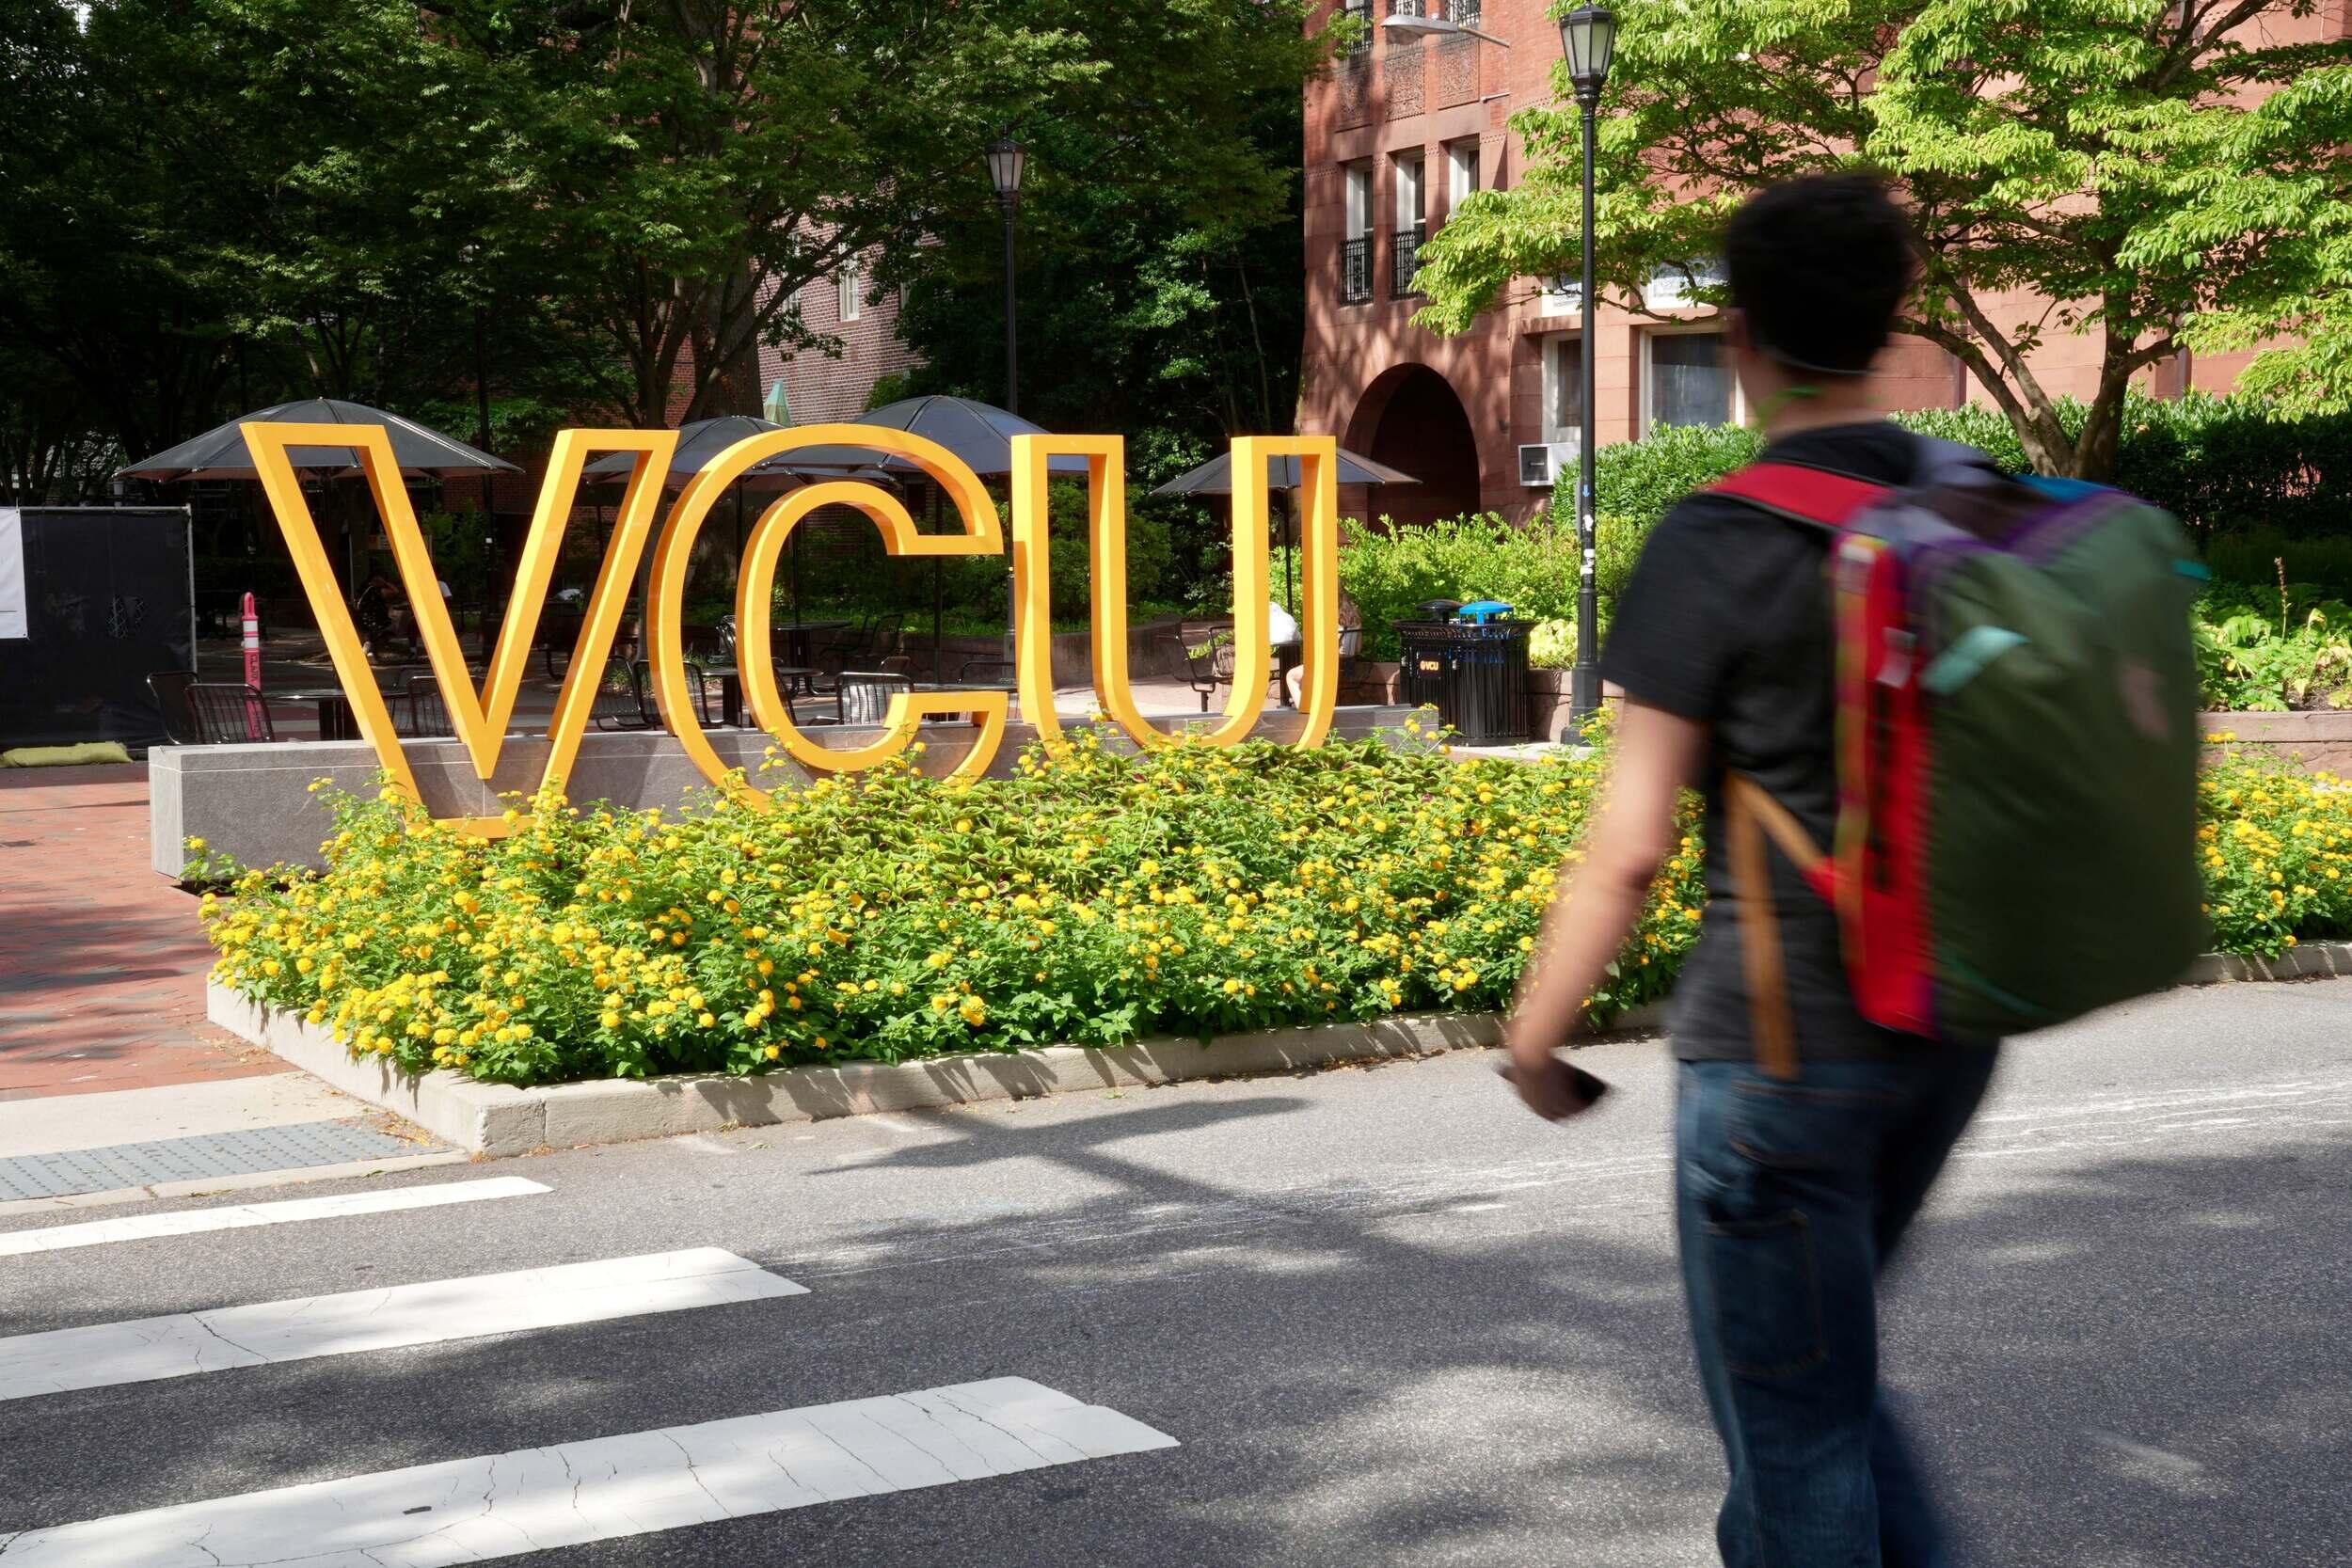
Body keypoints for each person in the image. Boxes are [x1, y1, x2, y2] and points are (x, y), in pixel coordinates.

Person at [1503, 171, 1997, 1567]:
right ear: (1894, 322)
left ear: (1740, 341)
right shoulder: (1968, 504)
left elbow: (1633, 839)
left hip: (1778, 1053)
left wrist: (1538, 1037)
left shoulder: (1720, 538)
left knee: (1796, 1434)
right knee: (1815, 1392)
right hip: (1949, 1024)